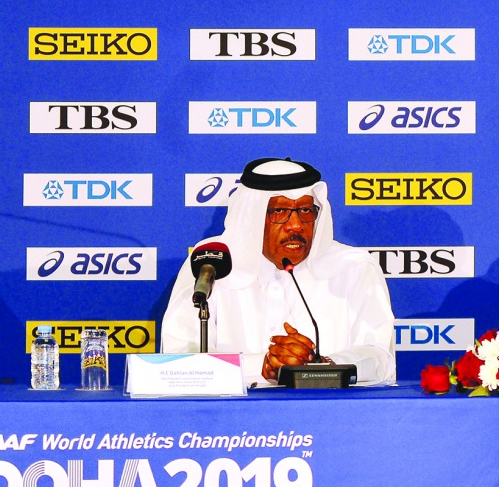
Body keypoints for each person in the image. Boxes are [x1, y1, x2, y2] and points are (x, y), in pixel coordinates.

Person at [162, 157, 396, 386]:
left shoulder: (353, 266)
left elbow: (380, 357)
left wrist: (321, 366)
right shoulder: (211, 263)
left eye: (305, 210)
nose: (296, 225)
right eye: (279, 211)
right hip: (232, 420)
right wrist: (261, 367)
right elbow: (178, 356)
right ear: (251, 217)